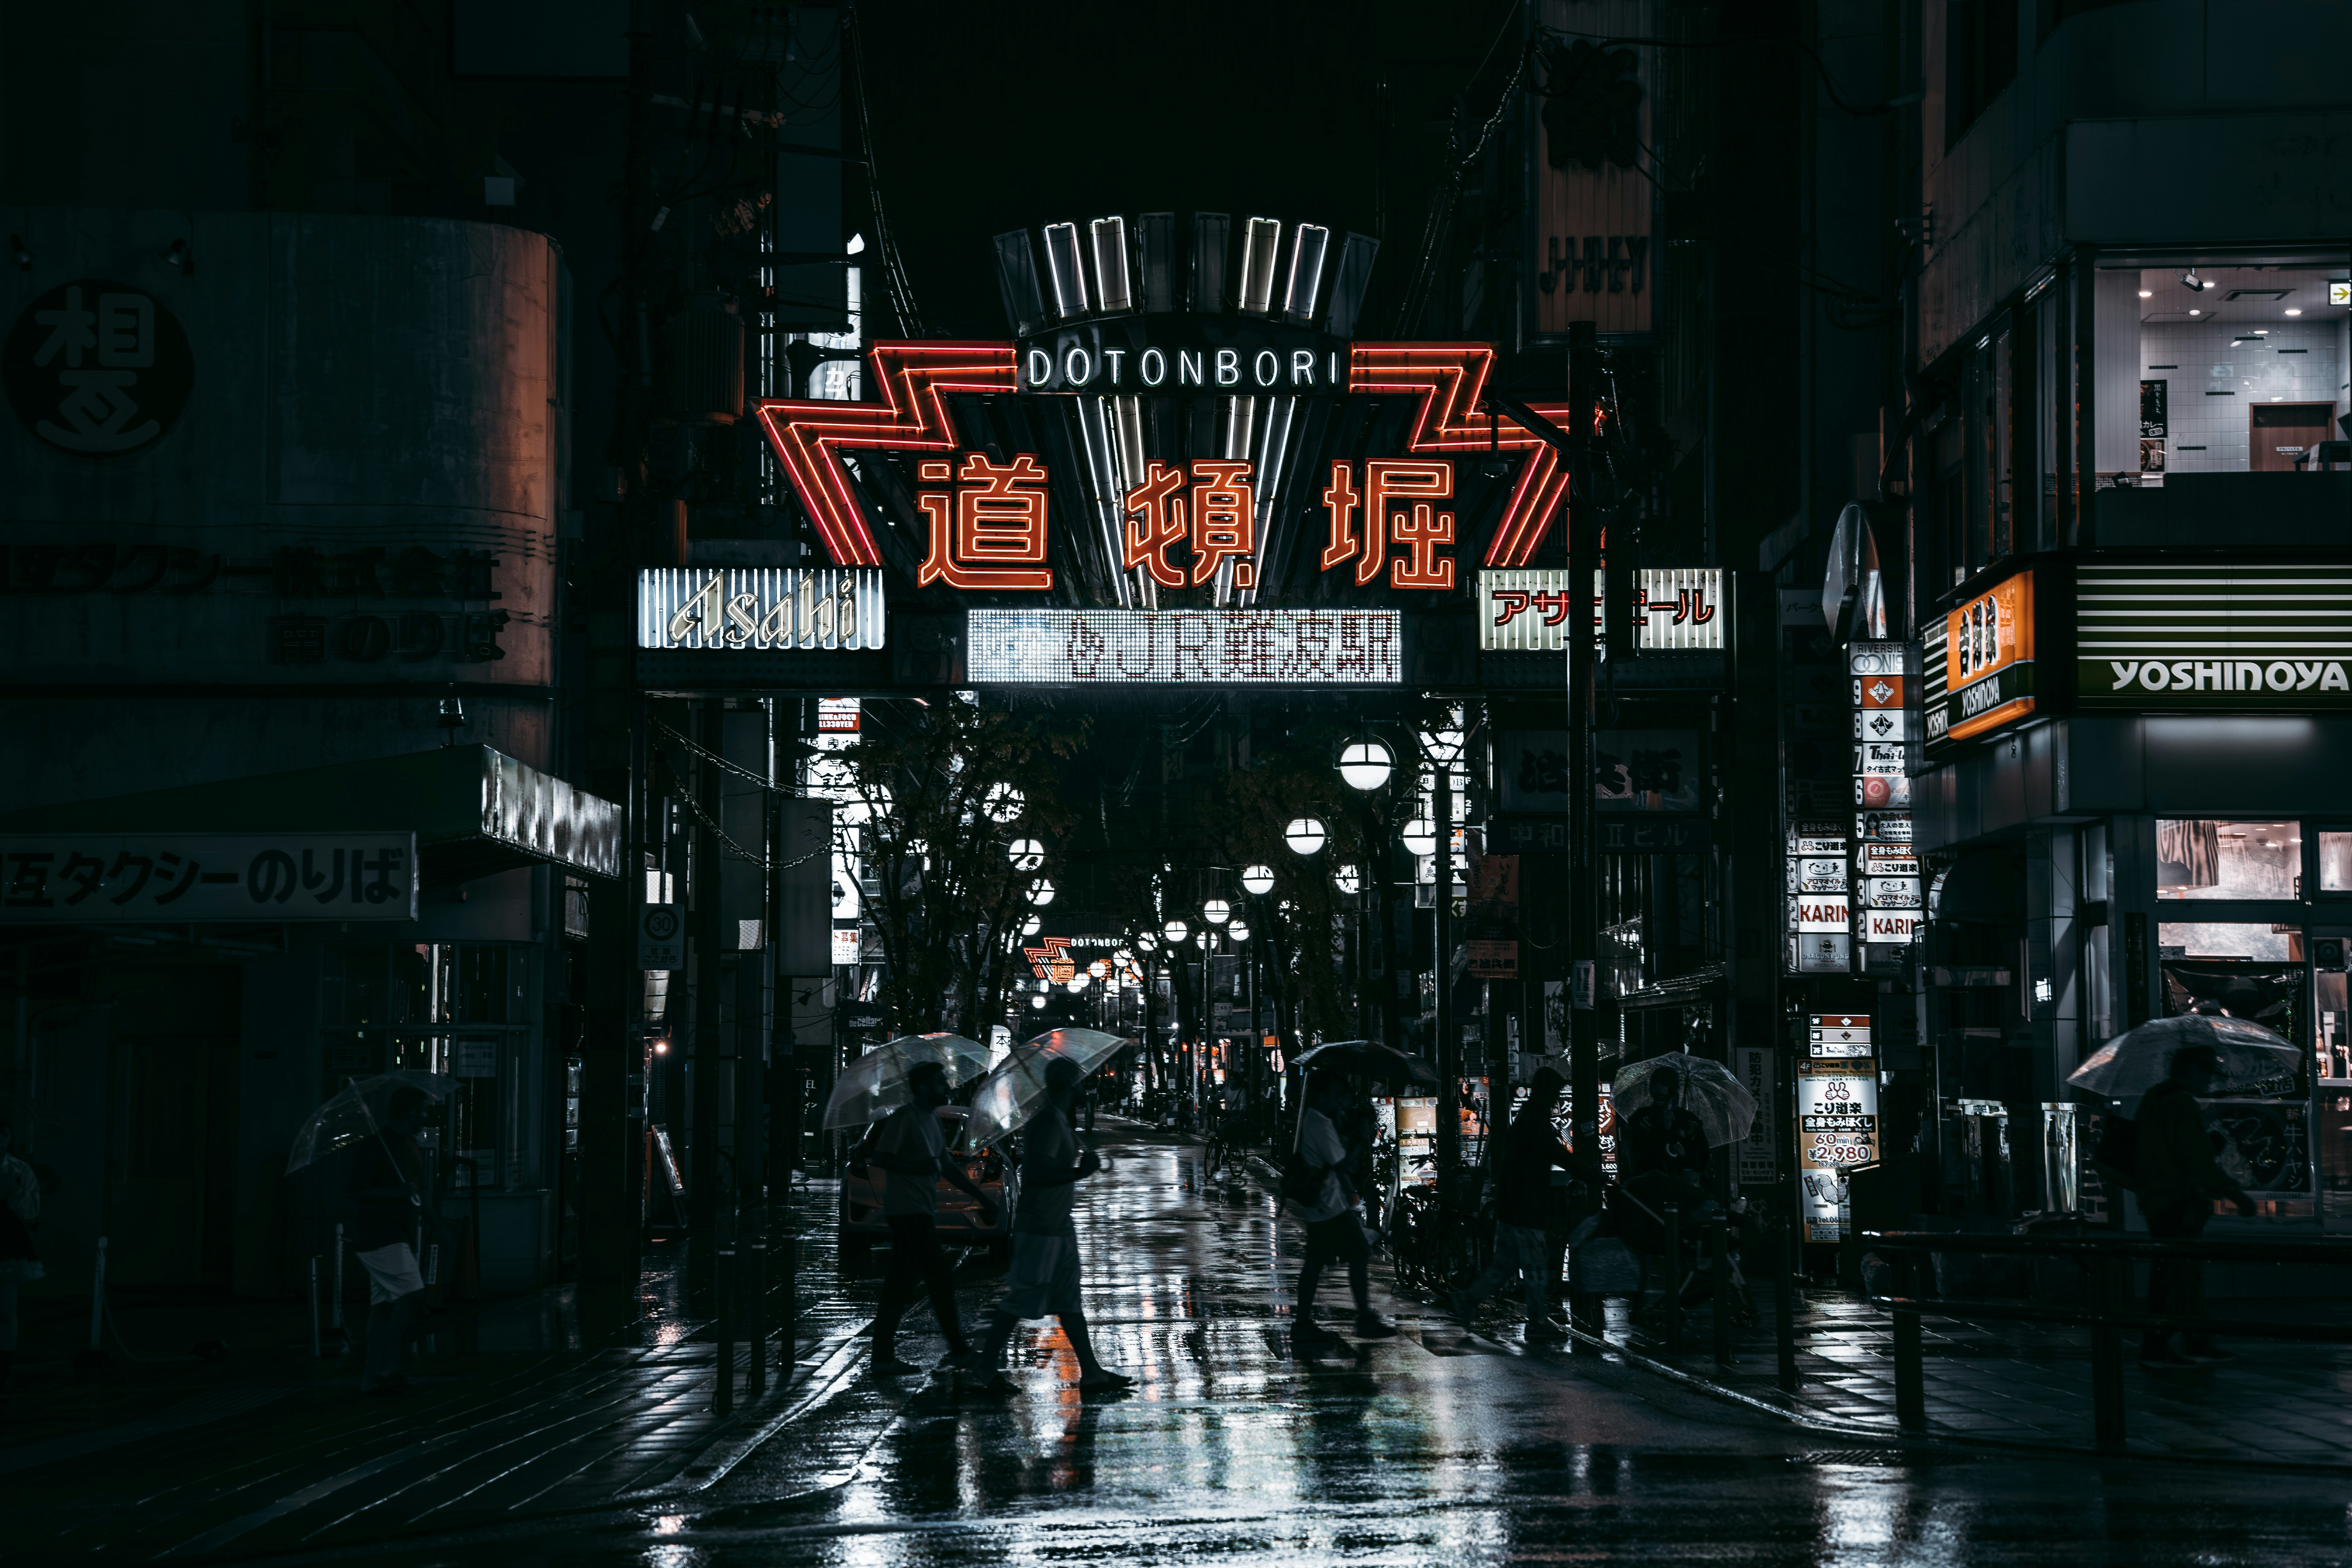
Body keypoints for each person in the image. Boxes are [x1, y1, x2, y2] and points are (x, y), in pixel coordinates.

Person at [972, 1057, 1133, 1393]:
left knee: (1069, 1300)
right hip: (1040, 1227)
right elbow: (1036, 1175)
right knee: (1021, 1297)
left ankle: (1090, 1372)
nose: (1083, 1088)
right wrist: (1079, 1172)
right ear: (1069, 1085)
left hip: (1059, 1225)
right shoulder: (1046, 1121)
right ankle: (985, 1367)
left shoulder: (1059, 1119)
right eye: (1078, 1081)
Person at [866, 1060, 998, 1374]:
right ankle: (958, 1349)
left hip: (921, 1211)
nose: (948, 1088)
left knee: (901, 1285)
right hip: (907, 1212)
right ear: (925, 1089)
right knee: (938, 1279)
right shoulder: (904, 1119)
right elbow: (881, 1157)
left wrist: (981, 1197)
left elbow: (946, 1167)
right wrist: (916, 1168)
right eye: (941, 1083)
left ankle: (883, 1356)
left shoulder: (931, 1120)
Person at [2136, 1042, 2255, 1366]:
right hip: (2179, 1202)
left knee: (2178, 1273)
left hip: (2156, 1200)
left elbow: (2159, 1152)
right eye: (2206, 1075)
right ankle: (2161, 1344)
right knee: (2177, 1275)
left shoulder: (2153, 1099)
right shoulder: (2182, 1103)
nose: (2209, 1083)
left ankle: (2193, 1340)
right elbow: (2199, 1163)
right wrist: (2237, 1196)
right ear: (2191, 1071)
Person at [1452, 1068, 1575, 1342]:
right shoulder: (1536, 1121)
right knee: (1534, 1266)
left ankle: (1467, 1299)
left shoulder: (1527, 1118)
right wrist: (1592, 1174)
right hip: (1527, 1207)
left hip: (1511, 1205)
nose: (1556, 1099)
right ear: (1547, 1092)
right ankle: (1537, 1323)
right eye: (1554, 1093)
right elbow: (1559, 1156)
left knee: (1504, 1265)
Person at [1291, 1072, 1397, 1345]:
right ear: (1323, 1095)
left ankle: (1302, 1322)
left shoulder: (1317, 1120)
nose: (1341, 1100)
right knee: (1360, 1253)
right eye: (1337, 1094)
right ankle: (1363, 1319)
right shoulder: (1320, 1122)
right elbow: (1343, 1164)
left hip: (1322, 1206)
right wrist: (1362, 1138)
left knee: (1314, 1264)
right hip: (1330, 1206)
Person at [348, 1087, 439, 1395]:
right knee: (413, 1295)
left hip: (398, 1233)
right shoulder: (376, 1146)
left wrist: (435, 1223)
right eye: (423, 1111)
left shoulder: (410, 1145)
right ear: (409, 1114)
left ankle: (371, 1378)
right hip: (380, 1234)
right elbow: (357, 1190)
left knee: (384, 1306)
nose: (426, 1117)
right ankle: (390, 1366)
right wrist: (396, 1194)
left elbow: (419, 1190)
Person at [1619, 1066, 1712, 1192]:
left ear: (1673, 1089)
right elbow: (1635, 1151)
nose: (1659, 1089)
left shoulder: (1689, 1121)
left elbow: (1701, 1159)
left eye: (1664, 1084)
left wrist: (1685, 1153)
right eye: (1655, 1084)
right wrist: (1663, 1131)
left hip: (1682, 1190)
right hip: (1647, 1187)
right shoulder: (1641, 1118)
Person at [0, 1116, 41, 1393]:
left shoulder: (18, 1170)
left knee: (5, 1309)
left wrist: (12, 1189)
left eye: (3, 1134)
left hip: (6, 1242)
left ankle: (4, 1366)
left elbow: (32, 1213)